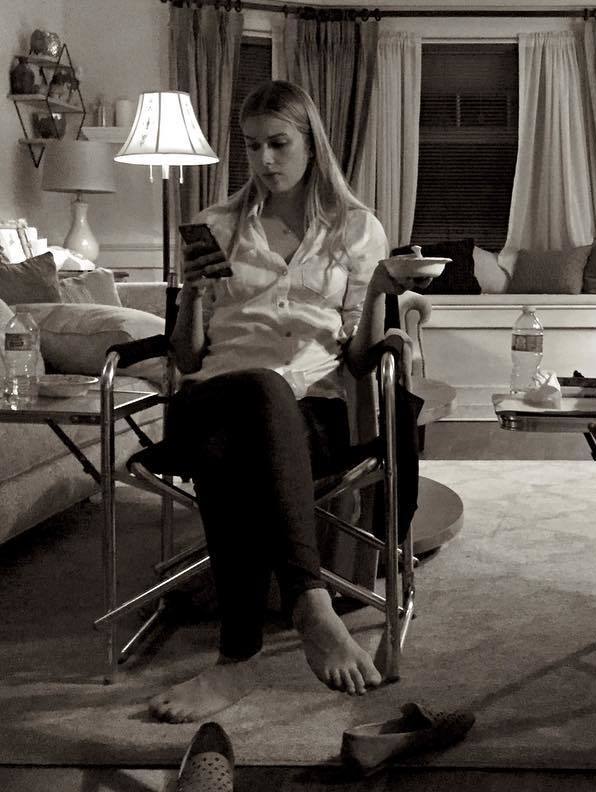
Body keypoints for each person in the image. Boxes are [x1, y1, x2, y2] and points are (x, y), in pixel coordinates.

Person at [149, 80, 426, 723]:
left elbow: (358, 359)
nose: (265, 160)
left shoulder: (356, 229)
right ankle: (310, 601)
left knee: (238, 437)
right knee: (255, 388)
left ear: (311, 143)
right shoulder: (215, 226)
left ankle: (237, 659)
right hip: (214, 396)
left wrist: (379, 292)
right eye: (252, 146)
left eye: (278, 143)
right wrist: (191, 296)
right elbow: (186, 358)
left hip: (310, 410)